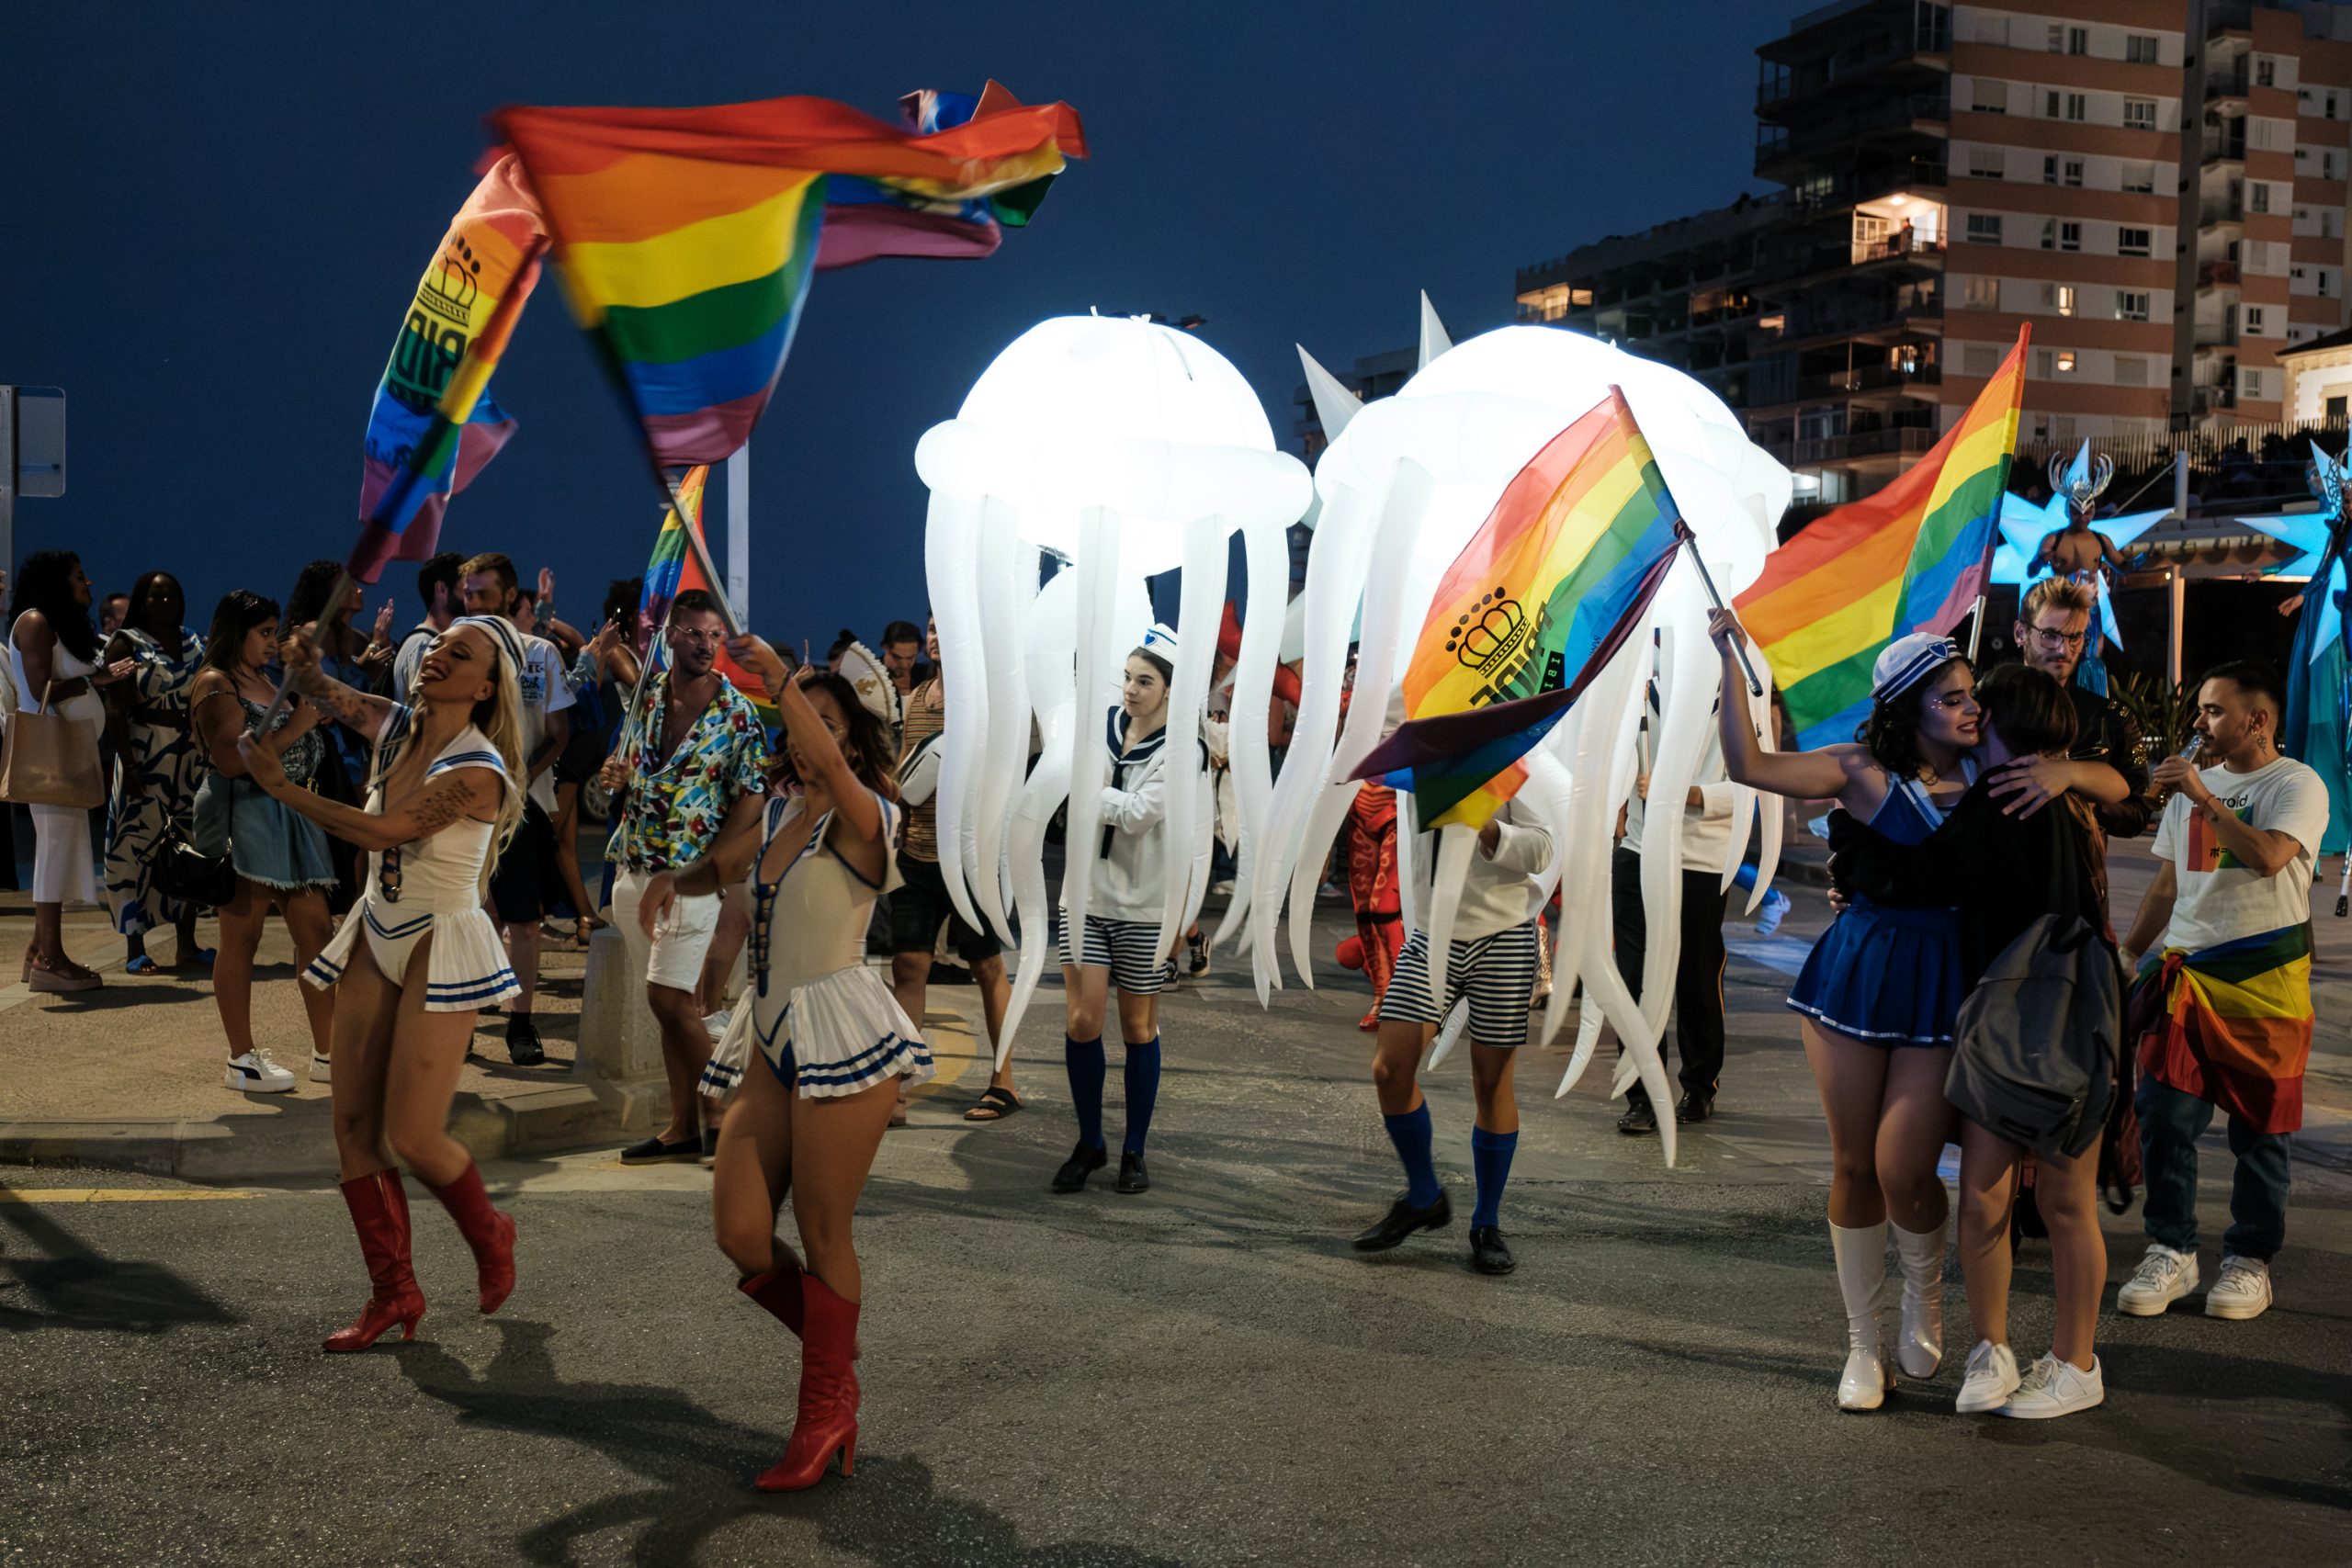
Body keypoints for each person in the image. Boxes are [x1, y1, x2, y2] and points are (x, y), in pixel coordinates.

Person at [639, 648, 931, 1492]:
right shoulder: (774, 814)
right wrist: (676, 881)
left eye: (826, 724)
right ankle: (836, 1355)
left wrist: (779, 680)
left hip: (842, 1029)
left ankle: (824, 1410)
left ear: (850, 737)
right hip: (769, 1028)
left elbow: (836, 766)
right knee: (737, 1228)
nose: (807, 741)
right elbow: (729, 876)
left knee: (822, 1227)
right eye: (800, 724)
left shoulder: (869, 813)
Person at [1710, 617, 1983, 1411]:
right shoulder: (1859, 769)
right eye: (1952, 698)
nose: (1971, 710)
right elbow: (1748, 762)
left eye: (1972, 696)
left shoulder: (1997, 769)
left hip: (1943, 978)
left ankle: (1922, 1293)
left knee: (1907, 1164)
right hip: (1857, 972)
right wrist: (1730, 661)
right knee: (1854, 1163)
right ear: (1908, 708)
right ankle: (1863, 1345)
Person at [246, 615, 529, 1351]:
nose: (437, 657)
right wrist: (303, 662)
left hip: (443, 933)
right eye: (436, 645)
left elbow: (382, 832)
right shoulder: (396, 724)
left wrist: (281, 786)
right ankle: (393, 1290)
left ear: (486, 685)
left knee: (411, 1132)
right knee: (350, 1127)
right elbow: (328, 691)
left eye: (458, 654)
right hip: (379, 925)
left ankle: (491, 1231)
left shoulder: (478, 770)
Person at [1928, 663, 2119, 1419]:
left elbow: (1921, 878)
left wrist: (1857, 850)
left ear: (2006, 721)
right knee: (2061, 1200)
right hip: (2075, 1024)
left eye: (1981, 704)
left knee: (1987, 1196)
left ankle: (2012, 1351)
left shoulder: (2005, 796)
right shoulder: (2063, 798)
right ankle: (2060, 1357)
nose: (1970, 712)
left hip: (2015, 1028)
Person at [2116, 661, 2326, 1326]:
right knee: (2163, 1114)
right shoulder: (2191, 787)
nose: (2199, 722)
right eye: (2200, 710)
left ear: (2257, 720)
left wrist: (2205, 797)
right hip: (2186, 976)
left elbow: (2269, 857)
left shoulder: (2297, 784)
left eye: (2212, 710)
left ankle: (2250, 1258)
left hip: (2266, 983)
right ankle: (2171, 1246)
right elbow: (2168, 885)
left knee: (2261, 1129)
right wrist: (2127, 954)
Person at [1351, 769, 1553, 1275]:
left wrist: (1486, 824)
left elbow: (1544, 850)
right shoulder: (1418, 757)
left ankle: (1486, 1222)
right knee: (1389, 1068)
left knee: (1491, 1083)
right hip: (1432, 937)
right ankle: (1424, 1195)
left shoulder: (1512, 758)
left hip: (1504, 935)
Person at [598, 590, 772, 1162]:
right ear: (670, 635)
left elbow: (750, 806)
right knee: (672, 1013)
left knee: (672, 1001)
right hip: (633, 870)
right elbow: (629, 769)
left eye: (715, 636)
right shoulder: (649, 693)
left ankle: (733, 1113)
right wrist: (616, 777)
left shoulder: (737, 714)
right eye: (695, 634)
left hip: (688, 878)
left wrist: (705, 872)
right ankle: (683, 1128)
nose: (706, 646)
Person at [1051, 626, 1209, 1197]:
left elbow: (1142, 813)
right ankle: (1090, 1141)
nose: (1132, 689)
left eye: (1146, 681)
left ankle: (1134, 1150)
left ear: (1169, 689)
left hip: (1144, 906)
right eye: (1128, 677)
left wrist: (1086, 788)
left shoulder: (1184, 749)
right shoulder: (1101, 731)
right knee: (1081, 1022)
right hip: (1085, 899)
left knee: (1138, 1028)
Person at [189, 592, 338, 1091]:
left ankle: (329, 1052)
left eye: (275, 631)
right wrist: (298, 725)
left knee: (316, 931)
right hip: (244, 815)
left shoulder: (265, 680)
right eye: (264, 632)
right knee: (242, 935)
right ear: (236, 632)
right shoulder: (216, 683)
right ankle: (241, 1060)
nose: (273, 642)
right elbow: (232, 761)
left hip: (289, 811)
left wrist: (312, 721)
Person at [890, 615, 1022, 1122]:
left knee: (987, 966)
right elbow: (907, 767)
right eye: (931, 626)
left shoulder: (984, 703)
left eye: (947, 624)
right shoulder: (916, 699)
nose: (936, 635)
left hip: (970, 862)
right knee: (908, 966)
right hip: (916, 858)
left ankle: (1003, 1081)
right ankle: (898, 1084)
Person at [458, 552, 573, 1066]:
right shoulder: (454, 651)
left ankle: (521, 1025)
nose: (473, 603)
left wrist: (522, 781)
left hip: (521, 808)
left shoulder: (540, 654)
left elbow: (559, 735)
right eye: (467, 594)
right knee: (463, 913)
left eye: (483, 593)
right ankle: (458, 1020)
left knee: (524, 921)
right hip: (462, 803)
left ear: (510, 597)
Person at [1612, 671, 1737, 1134]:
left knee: (1696, 976)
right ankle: (1641, 1093)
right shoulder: (1641, 680)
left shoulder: (1739, 692)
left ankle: (1700, 1086)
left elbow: (1754, 784)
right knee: (1633, 978)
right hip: (1641, 849)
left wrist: (1690, 794)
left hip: (1702, 857)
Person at [9, 551, 138, 990]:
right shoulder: (34, 622)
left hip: (69, 758)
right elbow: (38, 687)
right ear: (55, 582)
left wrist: (98, 678)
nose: (89, 582)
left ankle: (38, 953)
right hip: (50, 759)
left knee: (60, 851)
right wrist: (94, 682)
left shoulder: (56, 626)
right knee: (55, 853)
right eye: (79, 577)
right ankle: (50, 959)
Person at [100, 571, 210, 973]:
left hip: (190, 757)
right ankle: (135, 948)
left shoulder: (195, 642)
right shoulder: (126, 643)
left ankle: (187, 944)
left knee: (189, 847)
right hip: (144, 756)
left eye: (170, 597)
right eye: (154, 597)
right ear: (140, 602)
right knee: (135, 848)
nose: (163, 604)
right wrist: (128, 763)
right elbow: (115, 708)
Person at [2011, 576, 2152, 842]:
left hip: (2078, 876)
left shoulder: (2112, 717)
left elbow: (2140, 811)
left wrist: (2080, 800)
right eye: (2049, 636)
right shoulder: (1987, 708)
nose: (2064, 650)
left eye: (2075, 637)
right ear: (2021, 633)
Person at [390, 551, 466, 698]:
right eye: (465, 589)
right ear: (442, 589)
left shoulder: (430, 643)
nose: (471, 598)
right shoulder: (424, 646)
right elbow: (426, 712)